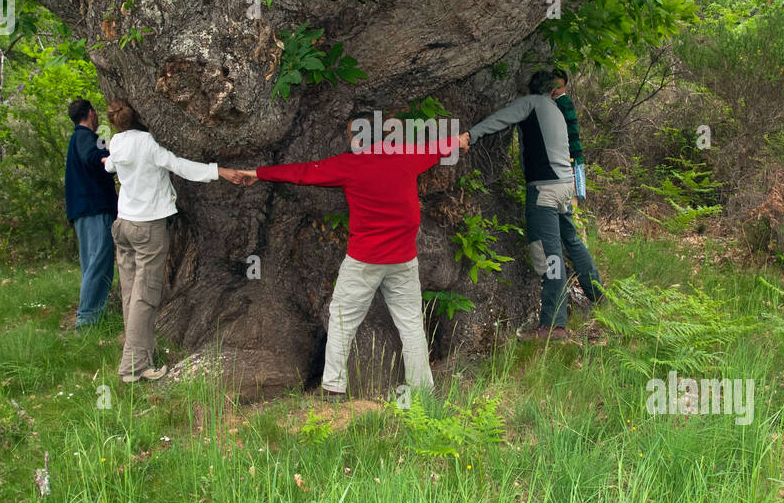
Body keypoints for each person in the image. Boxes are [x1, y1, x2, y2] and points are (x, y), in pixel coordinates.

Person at [232, 111, 460, 400]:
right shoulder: (405, 156)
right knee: (411, 325)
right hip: (402, 260)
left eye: (352, 134)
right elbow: (438, 148)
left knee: (342, 321)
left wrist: (258, 173)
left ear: (360, 138)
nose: (349, 139)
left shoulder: (350, 165)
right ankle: (423, 390)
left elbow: (304, 172)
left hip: (365, 261)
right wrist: (459, 140)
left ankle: (333, 388)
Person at [102, 99, 249, 382]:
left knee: (131, 295)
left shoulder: (117, 143)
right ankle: (133, 366)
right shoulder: (149, 144)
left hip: (123, 226)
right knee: (144, 297)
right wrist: (219, 171)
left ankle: (140, 356)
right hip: (147, 228)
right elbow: (180, 166)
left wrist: (108, 162)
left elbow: (111, 168)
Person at [465, 70, 603, 339]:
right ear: (551, 89)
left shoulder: (531, 103)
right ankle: (598, 296)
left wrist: (471, 135)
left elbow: (499, 119)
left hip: (545, 190)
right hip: (564, 188)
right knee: (572, 241)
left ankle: (553, 326)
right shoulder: (556, 110)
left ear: (530, 88)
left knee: (547, 253)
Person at [65, 98, 117, 329]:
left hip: (84, 209)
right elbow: (93, 158)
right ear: (90, 113)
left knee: (91, 262)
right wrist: (111, 159)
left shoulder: (78, 138)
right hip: (95, 208)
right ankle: (86, 320)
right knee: (98, 262)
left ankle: (90, 316)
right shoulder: (86, 137)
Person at [551, 68, 587, 202]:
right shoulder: (556, 102)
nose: (554, 90)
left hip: (571, 155)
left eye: (558, 87)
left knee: (572, 196)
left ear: (565, 86)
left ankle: (576, 221)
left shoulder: (563, 102)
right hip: (566, 155)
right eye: (552, 86)